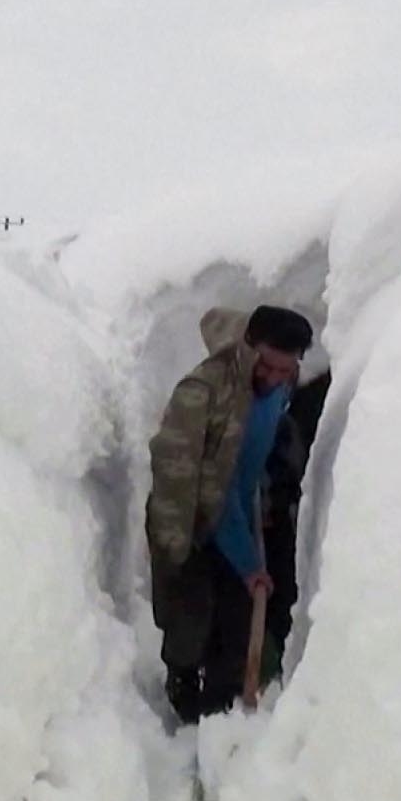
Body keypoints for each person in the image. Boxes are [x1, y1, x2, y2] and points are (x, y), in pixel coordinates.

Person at [146, 304, 313, 724]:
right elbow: (197, 489)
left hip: (237, 513)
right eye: (269, 367)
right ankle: (182, 684)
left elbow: (257, 449)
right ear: (249, 348)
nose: (275, 378)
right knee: (190, 617)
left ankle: (221, 718)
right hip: (188, 520)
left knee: (238, 624)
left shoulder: (282, 383)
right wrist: (248, 563)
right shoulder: (201, 393)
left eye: (286, 369)